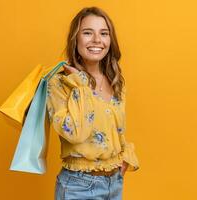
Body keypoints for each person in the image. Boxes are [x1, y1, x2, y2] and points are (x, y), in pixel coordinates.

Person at [46, 6, 140, 200]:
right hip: (78, 187)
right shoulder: (60, 83)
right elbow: (75, 133)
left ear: (110, 40)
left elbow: (118, 130)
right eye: (88, 33)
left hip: (114, 184)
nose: (97, 40)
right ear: (75, 39)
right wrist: (81, 87)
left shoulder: (116, 81)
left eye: (104, 33)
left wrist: (124, 160)